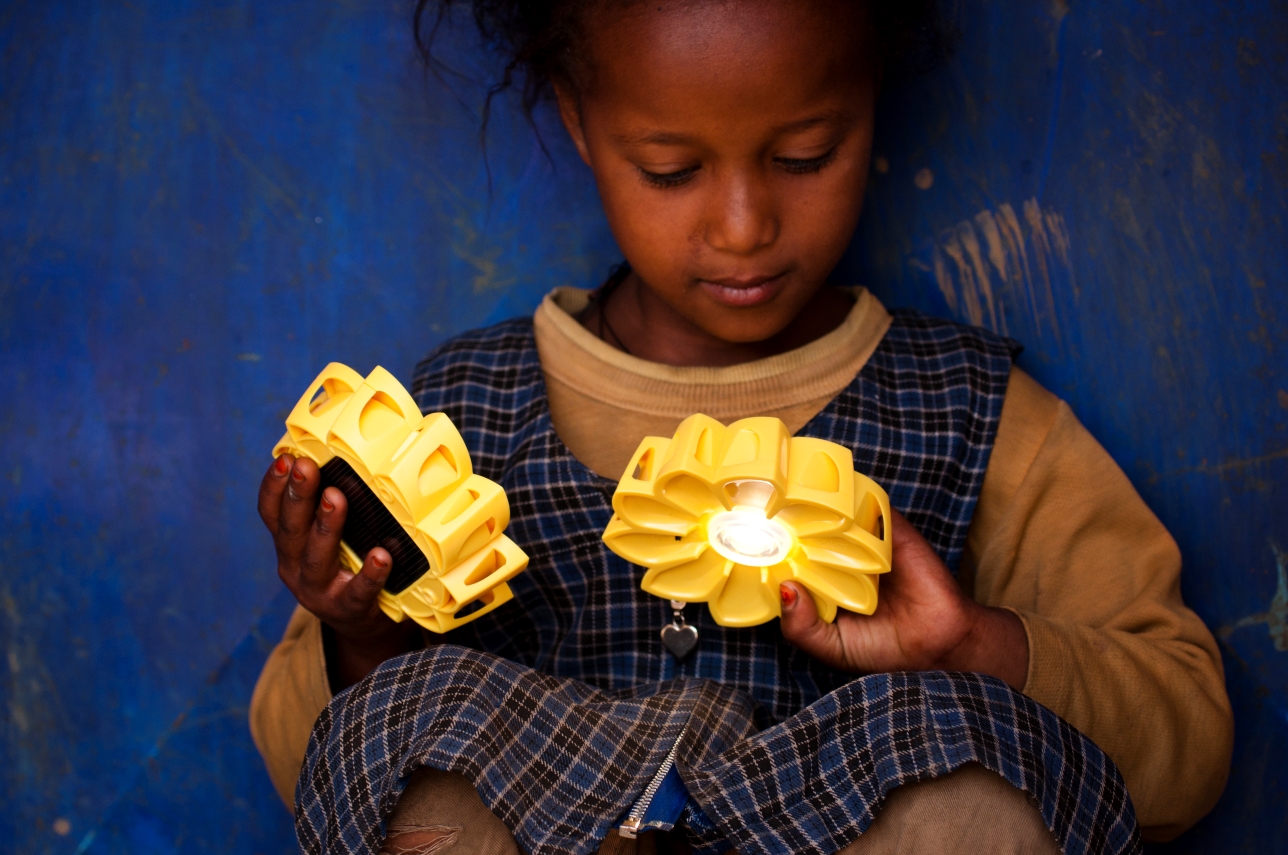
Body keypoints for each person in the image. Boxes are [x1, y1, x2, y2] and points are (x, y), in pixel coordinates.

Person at [250, 1, 1233, 853]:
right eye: (673, 170)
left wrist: (974, 652)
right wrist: (363, 636)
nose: (742, 225)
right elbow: (320, 770)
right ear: (578, 121)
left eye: (803, 155)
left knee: (976, 780)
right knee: (408, 723)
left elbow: (1184, 747)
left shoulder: (978, 414)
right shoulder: (445, 427)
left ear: (869, 98)